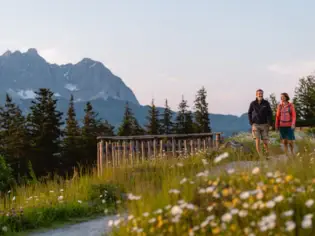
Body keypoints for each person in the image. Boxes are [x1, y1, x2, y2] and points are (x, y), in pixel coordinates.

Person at [248, 89, 273, 156]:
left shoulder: (266, 103)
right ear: (256, 95)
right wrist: (251, 123)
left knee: (265, 141)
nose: (260, 94)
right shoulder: (253, 103)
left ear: (263, 94)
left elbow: (270, 113)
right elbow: (249, 113)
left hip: (264, 124)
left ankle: (268, 154)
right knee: (257, 140)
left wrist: (270, 123)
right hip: (255, 125)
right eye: (259, 93)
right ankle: (260, 156)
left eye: (261, 93)